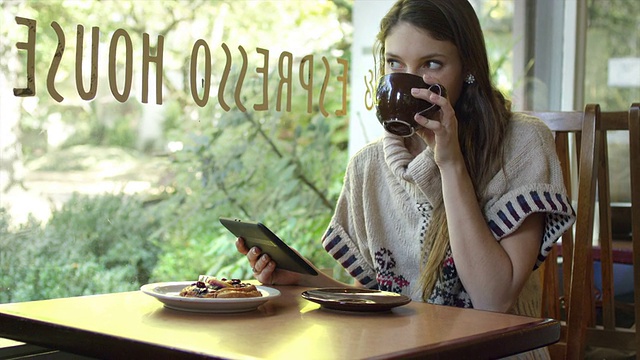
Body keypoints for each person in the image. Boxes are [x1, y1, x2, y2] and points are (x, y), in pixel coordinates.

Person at [237, 1, 574, 355]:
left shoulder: (519, 144)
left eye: (431, 64)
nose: (411, 83)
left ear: (468, 67)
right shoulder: (368, 167)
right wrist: (304, 278)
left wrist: (451, 163)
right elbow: (376, 300)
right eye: (394, 63)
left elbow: (494, 299)